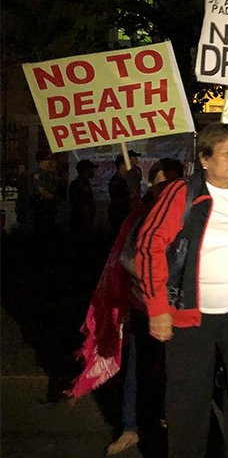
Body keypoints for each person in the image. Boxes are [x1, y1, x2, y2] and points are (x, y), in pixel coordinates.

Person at [135, 123, 228, 458]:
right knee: (188, 401)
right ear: (205, 159)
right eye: (225, 153)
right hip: (190, 317)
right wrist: (158, 310)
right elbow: (149, 246)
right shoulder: (183, 193)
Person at [69, 158, 184, 456]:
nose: (165, 189)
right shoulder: (141, 218)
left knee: (175, 375)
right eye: (160, 183)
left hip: (182, 314)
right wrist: (153, 276)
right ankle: (130, 428)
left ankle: (168, 424)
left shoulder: (190, 217)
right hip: (145, 310)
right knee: (136, 372)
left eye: (171, 183)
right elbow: (125, 258)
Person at [109, 151, 142, 234]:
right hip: (120, 215)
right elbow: (117, 201)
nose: (136, 160)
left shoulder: (132, 175)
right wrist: (130, 197)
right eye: (132, 159)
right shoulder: (117, 181)